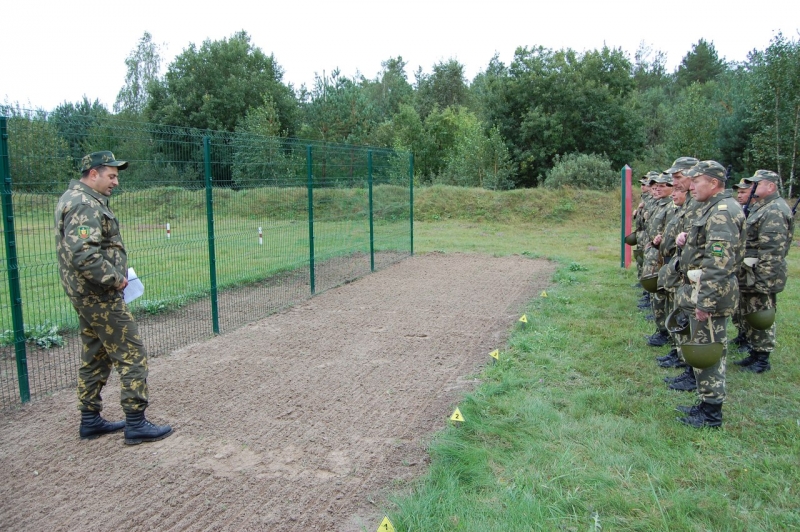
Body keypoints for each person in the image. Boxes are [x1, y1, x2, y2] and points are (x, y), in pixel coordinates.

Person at [55, 151, 173, 444]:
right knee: (132, 353)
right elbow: (83, 252)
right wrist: (115, 278)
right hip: (100, 295)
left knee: (96, 354)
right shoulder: (84, 204)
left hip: (84, 294)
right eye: (111, 175)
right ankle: (136, 422)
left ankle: (90, 419)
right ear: (93, 174)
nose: (116, 182)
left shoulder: (74, 198)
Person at [671, 160, 745, 428]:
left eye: (697, 180)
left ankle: (711, 414)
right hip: (705, 292)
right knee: (704, 347)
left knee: (709, 351)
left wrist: (706, 302)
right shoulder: (712, 209)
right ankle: (705, 403)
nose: (691, 186)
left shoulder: (722, 212)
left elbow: (718, 264)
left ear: (714, 183)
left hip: (711, 295)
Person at [733, 170, 794, 373]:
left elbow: (772, 250)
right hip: (751, 272)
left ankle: (762, 358)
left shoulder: (775, 210)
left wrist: (764, 281)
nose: (753, 188)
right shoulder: (762, 207)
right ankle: (754, 351)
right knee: (750, 312)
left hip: (761, 274)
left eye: (757, 184)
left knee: (761, 315)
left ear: (771, 186)